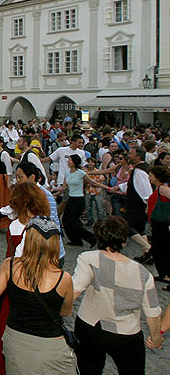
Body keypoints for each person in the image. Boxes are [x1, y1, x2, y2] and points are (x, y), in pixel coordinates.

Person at [0, 216, 77, 375]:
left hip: (15, 341)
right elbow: (66, 311)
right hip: (49, 346)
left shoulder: (10, 266)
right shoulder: (63, 278)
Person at [71, 216, 163, 375]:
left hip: (90, 326)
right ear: (124, 241)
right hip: (126, 333)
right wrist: (156, 338)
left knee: (88, 369)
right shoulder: (143, 273)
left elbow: (75, 289)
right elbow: (152, 313)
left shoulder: (88, 259)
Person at [53, 155, 108, 247]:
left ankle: (91, 238)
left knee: (72, 222)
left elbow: (93, 182)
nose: (68, 162)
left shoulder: (81, 173)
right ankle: (75, 240)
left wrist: (107, 188)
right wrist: (52, 192)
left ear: (75, 162)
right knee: (66, 221)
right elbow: (64, 187)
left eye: (70, 160)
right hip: (71, 199)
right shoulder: (67, 173)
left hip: (79, 200)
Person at [119, 147, 153, 263]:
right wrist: (118, 187)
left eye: (131, 153)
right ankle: (146, 253)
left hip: (137, 206)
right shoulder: (141, 169)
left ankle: (148, 249)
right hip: (139, 205)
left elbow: (145, 190)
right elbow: (132, 184)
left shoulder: (139, 171)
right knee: (140, 229)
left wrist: (148, 204)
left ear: (138, 156)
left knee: (127, 227)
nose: (128, 155)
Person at [148, 165, 170, 287]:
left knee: (162, 249)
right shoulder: (158, 188)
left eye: (151, 176)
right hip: (157, 222)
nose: (149, 178)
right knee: (158, 249)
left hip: (162, 223)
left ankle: (167, 274)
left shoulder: (163, 189)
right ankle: (163, 273)